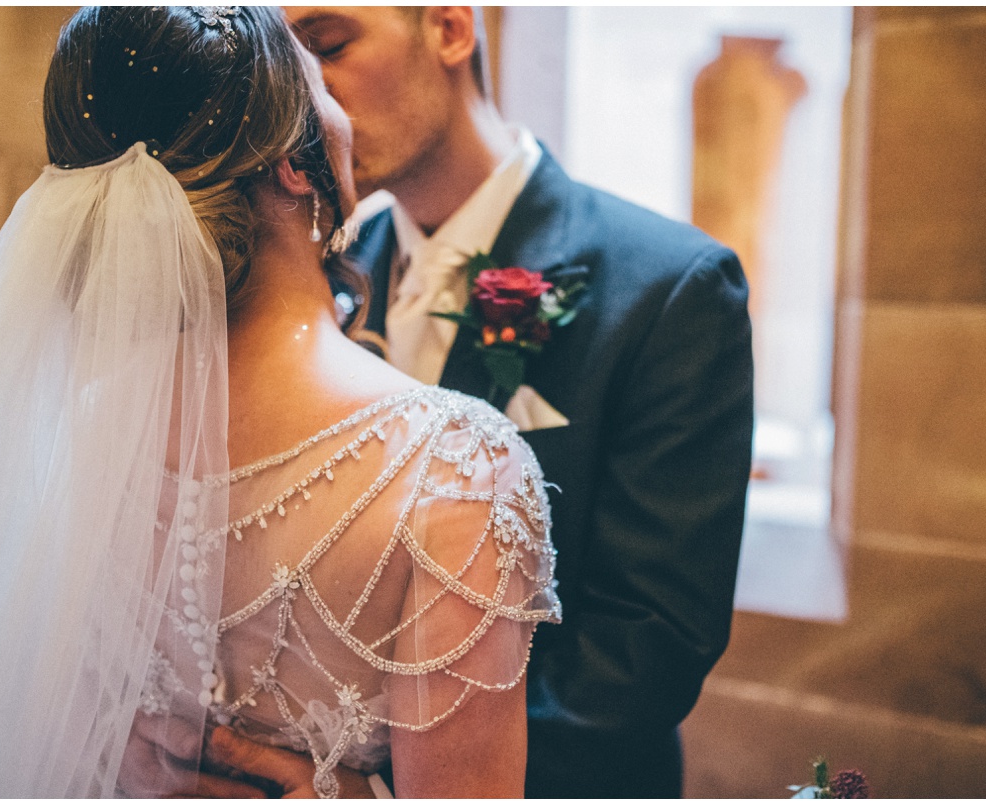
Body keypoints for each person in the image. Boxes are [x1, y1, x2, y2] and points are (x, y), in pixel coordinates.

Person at [0, 6, 559, 798]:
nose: (340, 104)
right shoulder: (461, 469)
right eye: (315, 75)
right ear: (296, 163)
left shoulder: (68, 430)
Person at [285, 6, 755, 798]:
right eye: (286, 69)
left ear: (449, 28)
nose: (305, 100)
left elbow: (645, 647)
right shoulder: (316, 286)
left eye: (327, 48)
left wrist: (370, 779)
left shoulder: (672, 289)